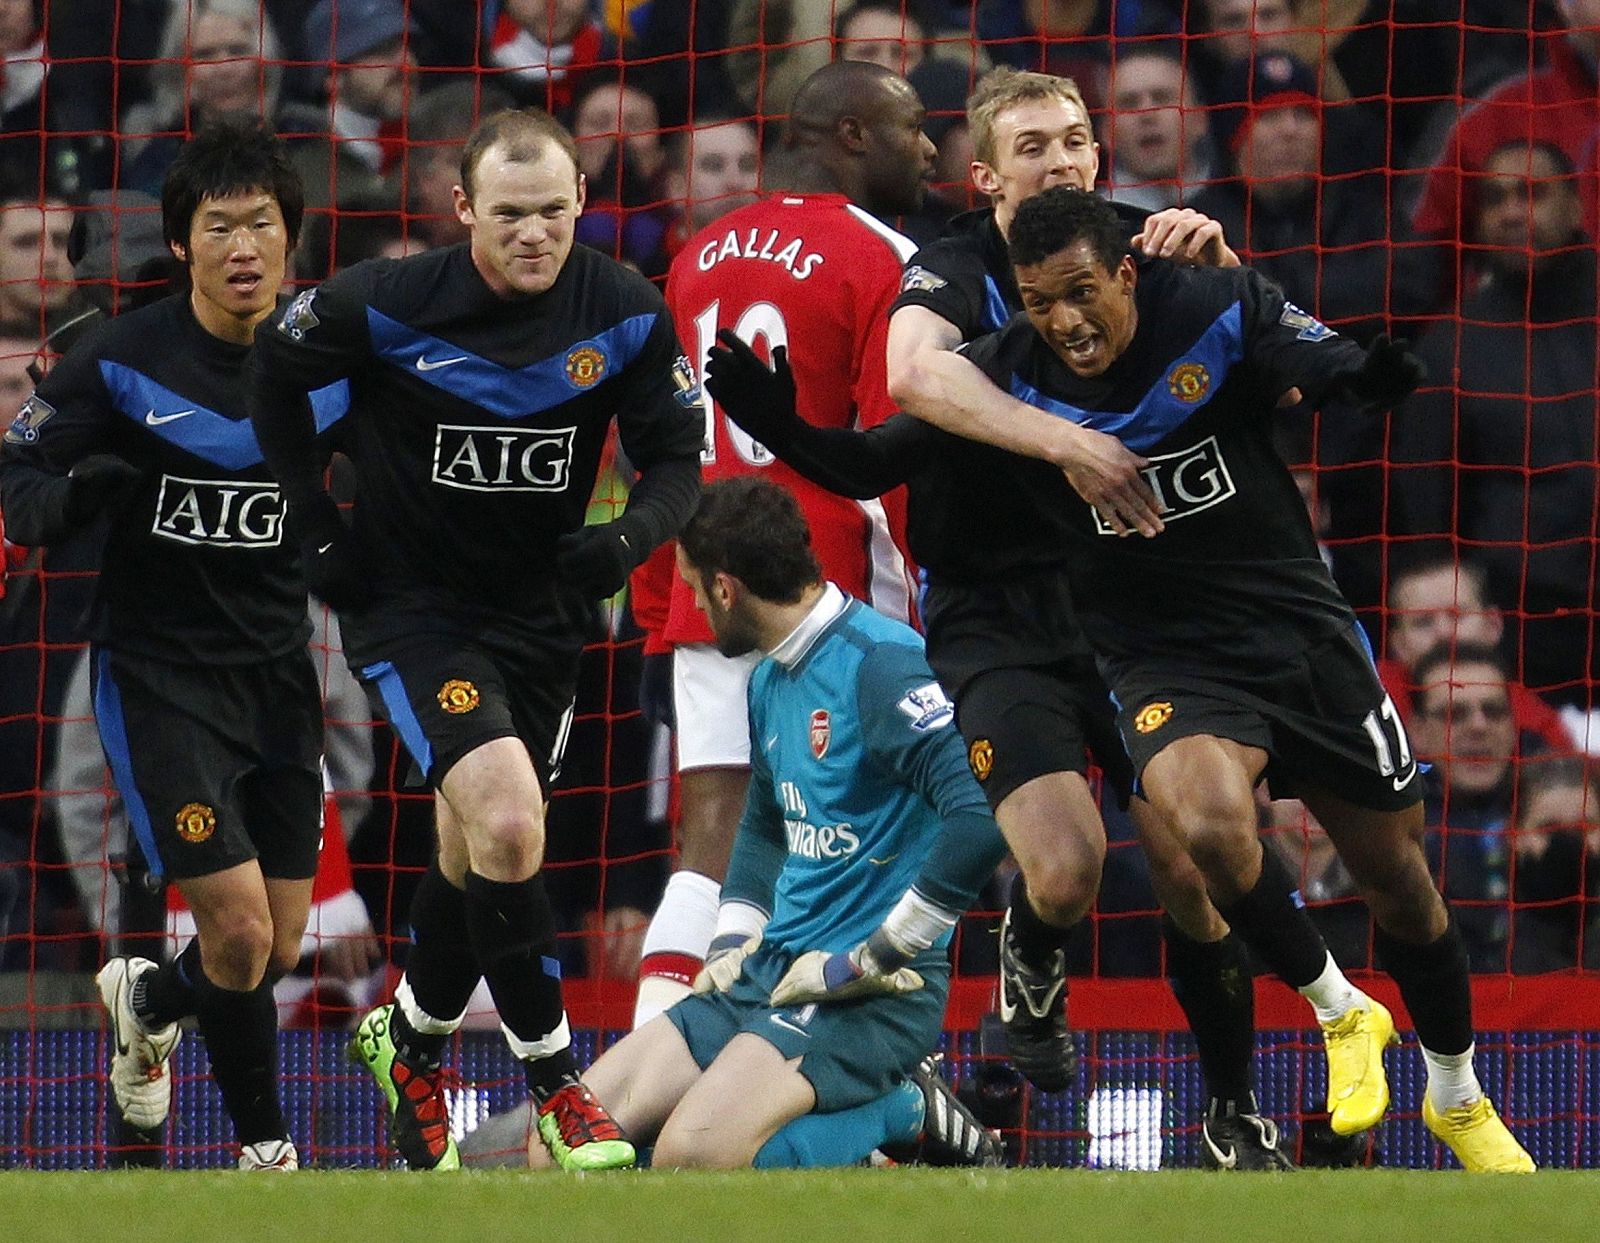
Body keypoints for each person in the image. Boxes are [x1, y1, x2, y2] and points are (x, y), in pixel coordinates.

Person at [959, 184, 1532, 1172]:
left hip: (1296, 636)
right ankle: (1339, 1009)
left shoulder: (1211, 307)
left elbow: (1317, 359)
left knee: (1399, 882)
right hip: (1160, 655)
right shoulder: (1006, 381)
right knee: (1206, 824)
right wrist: (794, 437)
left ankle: (1455, 1094)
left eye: (1080, 293)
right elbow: (906, 409)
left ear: (1125, 274)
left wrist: (1368, 376)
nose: (1062, 321)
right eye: (1037, 301)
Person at [876, 67, 1376, 1167]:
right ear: (984, 175)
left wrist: (1236, 274)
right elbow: (912, 378)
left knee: (1198, 867)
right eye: (1030, 148)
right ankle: (1032, 951)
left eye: (1072, 141)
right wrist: (1070, 445)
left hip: (1137, 599)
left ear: (1099, 155)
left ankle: (1231, 1106)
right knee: (1061, 870)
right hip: (996, 606)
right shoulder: (954, 268)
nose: (1056, 163)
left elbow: (1274, 374)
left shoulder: (1156, 250)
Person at [248, 106, 702, 1172]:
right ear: (462, 211)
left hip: (543, 619)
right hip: (413, 607)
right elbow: (271, 371)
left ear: (583, 202)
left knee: (473, 849)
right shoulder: (384, 303)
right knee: (505, 821)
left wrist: (629, 538)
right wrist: (315, 528)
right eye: (509, 214)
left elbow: (677, 461)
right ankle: (555, 1078)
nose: (534, 233)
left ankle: (408, 1039)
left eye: (553, 211)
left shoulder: (629, 312)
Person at [0, 118, 338, 1171]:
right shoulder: (119, 357)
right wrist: (68, 499)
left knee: (280, 945)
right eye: (220, 226)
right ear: (182, 243)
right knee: (235, 934)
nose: (244, 247)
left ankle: (146, 1001)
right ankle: (266, 1150)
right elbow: (16, 483)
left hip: (281, 672)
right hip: (157, 676)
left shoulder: (332, 361)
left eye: (263, 226)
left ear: (293, 241)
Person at [525, 476, 1005, 1171]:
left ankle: (903, 1108)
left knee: (692, 1160)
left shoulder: (881, 667)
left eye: (692, 586)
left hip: (869, 993)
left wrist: (877, 952)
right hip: (774, 972)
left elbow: (983, 813)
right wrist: (731, 944)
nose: (687, 602)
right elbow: (765, 825)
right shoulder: (768, 678)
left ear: (727, 588)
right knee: (561, 1148)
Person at [629, 58, 930, 1029]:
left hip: (701, 589)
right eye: (910, 125)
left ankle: (632, 1080)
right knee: (858, 833)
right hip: (826, 591)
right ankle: (856, 1075)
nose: (927, 148)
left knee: (709, 837)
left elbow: (660, 448)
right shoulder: (883, 255)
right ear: (850, 135)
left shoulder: (696, 253)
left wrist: (653, 608)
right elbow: (890, 455)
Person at [1392, 140, 1598, 709]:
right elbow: (1429, 512)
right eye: (1495, 200)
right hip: (1527, 635)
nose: (1511, 212)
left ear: (1575, 206)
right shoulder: (1449, 347)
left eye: (1532, 194)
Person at [1408, 642, 1550, 973]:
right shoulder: (1393, 828)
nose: (1478, 726)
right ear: (1417, 732)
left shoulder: (1562, 810)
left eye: (1494, 711)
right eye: (1454, 714)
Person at [1104, 43, 1216, 213]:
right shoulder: (1090, 223)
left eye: (1162, 98)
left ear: (1200, 120)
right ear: (1106, 133)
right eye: (1129, 103)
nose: (1147, 114)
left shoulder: (1244, 206)